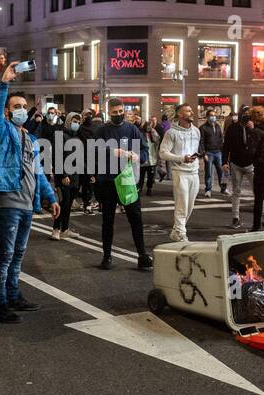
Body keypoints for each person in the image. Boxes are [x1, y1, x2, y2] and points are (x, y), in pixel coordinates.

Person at [0, 66, 60, 322]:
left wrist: (50, 197)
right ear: (8, 111)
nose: (20, 109)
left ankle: (13, 294)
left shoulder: (28, 139)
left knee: (18, 254)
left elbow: (38, 172)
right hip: (8, 198)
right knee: (5, 254)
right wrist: (4, 83)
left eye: (23, 106)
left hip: (28, 203)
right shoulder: (1, 131)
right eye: (15, 106)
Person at [93, 97, 154, 269]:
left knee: (136, 219)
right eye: (115, 113)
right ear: (108, 113)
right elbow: (93, 151)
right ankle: (107, 256)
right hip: (108, 181)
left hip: (128, 180)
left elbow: (144, 151)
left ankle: (142, 255)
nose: (118, 115)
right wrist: (112, 151)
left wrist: (138, 157)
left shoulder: (132, 129)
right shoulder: (102, 130)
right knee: (108, 220)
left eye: (121, 112)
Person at [161, 104, 202, 242]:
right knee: (182, 204)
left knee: (189, 206)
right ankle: (181, 233)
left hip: (194, 172)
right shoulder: (171, 132)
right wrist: (181, 158)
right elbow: (163, 153)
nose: (191, 112)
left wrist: (196, 157)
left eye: (191, 110)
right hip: (180, 172)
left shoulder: (196, 131)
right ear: (180, 114)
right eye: (188, 111)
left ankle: (176, 231)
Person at [52, 112, 86, 240]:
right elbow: (57, 157)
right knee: (62, 203)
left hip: (76, 176)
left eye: (78, 122)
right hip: (64, 176)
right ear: (68, 121)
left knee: (69, 204)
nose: (76, 124)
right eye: (74, 121)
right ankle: (56, 229)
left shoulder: (77, 138)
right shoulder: (60, 136)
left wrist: (88, 174)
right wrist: (63, 175)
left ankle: (65, 229)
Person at [223, 106, 255, 229]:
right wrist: (224, 162)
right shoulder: (232, 128)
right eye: (244, 114)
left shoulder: (253, 127)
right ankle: (235, 218)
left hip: (251, 163)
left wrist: (252, 129)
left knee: (258, 191)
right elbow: (226, 146)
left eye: (248, 114)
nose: (246, 116)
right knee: (236, 191)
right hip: (236, 163)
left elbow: (259, 143)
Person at [199, 112, 226, 195]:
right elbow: (201, 142)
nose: (213, 117)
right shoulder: (203, 128)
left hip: (218, 152)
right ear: (207, 117)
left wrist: (222, 150)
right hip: (209, 153)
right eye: (211, 115)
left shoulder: (217, 126)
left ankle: (223, 189)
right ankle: (208, 189)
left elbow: (221, 138)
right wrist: (204, 154)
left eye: (214, 115)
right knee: (209, 172)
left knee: (221, 172)